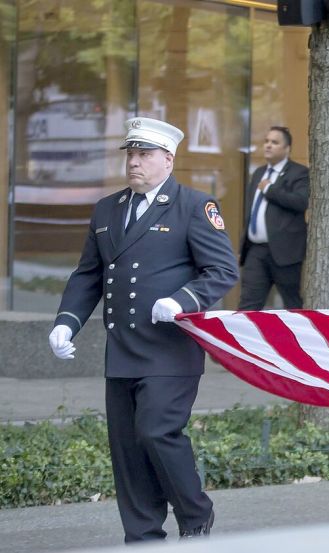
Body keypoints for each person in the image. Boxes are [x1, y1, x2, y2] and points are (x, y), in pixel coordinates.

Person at [47, 117, 238, 542]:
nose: (134, 162)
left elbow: (222, 271)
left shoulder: (194, 205)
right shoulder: (107, 209)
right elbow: (87, 275)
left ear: (167, 160)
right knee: (128, 452)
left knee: (156, 431)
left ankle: (195, 515)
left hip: (170, 350)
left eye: (144, 154)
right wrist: (66, 322)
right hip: (122, 349)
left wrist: (182, 301)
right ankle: (143, 537)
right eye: (130, 154)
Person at [239, 126, 310, 310]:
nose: (268, 146)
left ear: (287, 149)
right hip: (255, 250)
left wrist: (270, 190)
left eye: (275, 142)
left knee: (292, 304)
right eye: (267, 141)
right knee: (248, 303)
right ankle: (243, 338)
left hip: (285, 252)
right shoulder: (258, 173)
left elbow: (301, 202)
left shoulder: (299, 173)